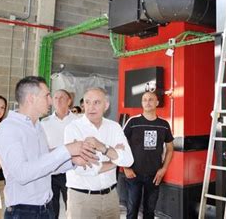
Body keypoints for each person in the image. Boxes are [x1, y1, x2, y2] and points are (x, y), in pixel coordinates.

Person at [0, 76, 98, 219]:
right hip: (24, 211)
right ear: (31, 98)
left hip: (45, 208)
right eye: (47, 95)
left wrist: (72, 161)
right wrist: (66, 150)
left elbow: (44, 163)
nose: (50, 100)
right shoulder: (9, 129)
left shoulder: (37, 126)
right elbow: (22, 174)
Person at [64, 87, 134, 219]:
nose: (91, 107)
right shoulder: (73, 128)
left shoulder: (114, 127)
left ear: (106, 105)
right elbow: (83, 168)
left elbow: (129, 160)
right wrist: (115, 159)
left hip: (111, 198)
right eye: (87, 102)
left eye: (97, 102)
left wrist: (103, 148)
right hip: (82, 199)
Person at [123, 91, 174, 219]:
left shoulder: (164, 124)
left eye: (151, 99)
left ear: (157, 103)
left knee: (150, 211)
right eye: (144, 100)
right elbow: (120, 145)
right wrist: (125, 168)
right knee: (132, 209)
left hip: (154, 174)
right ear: (141, 103)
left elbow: (170, 149)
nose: (147, 102)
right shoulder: (133, 122)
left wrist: (164, 169)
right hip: (133, 173)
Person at [40, 90, 78, 219]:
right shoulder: (44, 123)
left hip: (72, 171)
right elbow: (42, 149)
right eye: (55, 97)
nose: (58, 100)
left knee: (73, 208)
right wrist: (67, 148)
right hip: (51, 172)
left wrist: (57, 150)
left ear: (69, 101)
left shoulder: (78, 121)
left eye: (62, 97)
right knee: (51, 209)